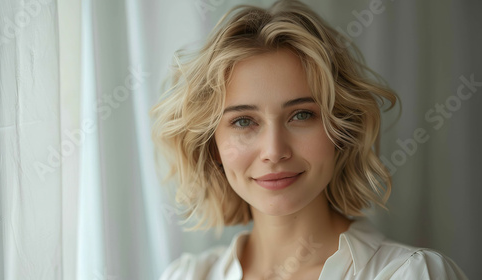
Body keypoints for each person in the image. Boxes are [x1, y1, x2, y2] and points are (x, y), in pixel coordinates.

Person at [151, 1, 467, 279]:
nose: (274, 152)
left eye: (301, 115)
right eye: (244, 121)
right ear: (213, 147)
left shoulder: (411, 274)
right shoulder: (186, 275)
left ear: (342, 131)